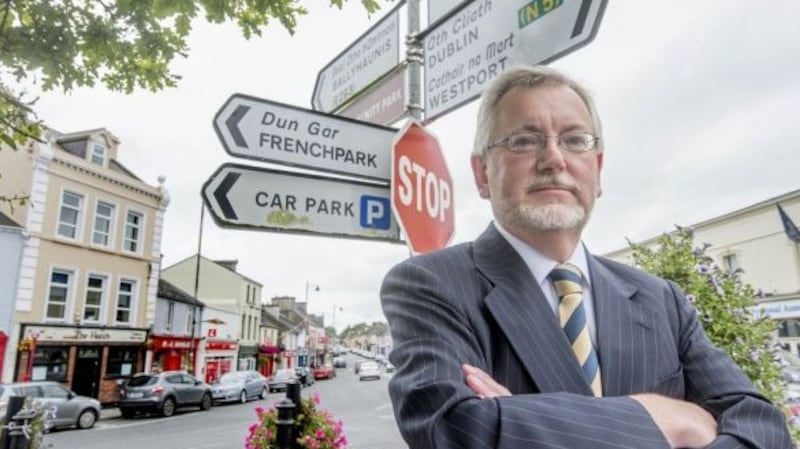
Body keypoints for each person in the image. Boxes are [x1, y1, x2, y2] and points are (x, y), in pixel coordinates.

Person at [380, 65, 792, 449]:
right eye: (524, 140)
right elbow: (456, 428)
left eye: (575, 141)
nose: (554, 159)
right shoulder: (430, 284)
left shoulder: (661, 299)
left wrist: (524, 420)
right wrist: (670, 418)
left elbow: (764, 427)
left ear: (597, 169)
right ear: (482, 173)